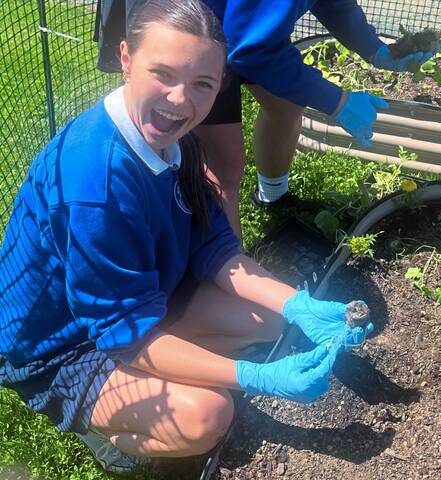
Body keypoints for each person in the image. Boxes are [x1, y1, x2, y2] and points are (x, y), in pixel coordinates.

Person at [0, 0, 372, 473]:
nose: (180, 100)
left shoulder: (173, 139)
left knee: (270, 320)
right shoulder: (95, 186)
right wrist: (255, 377)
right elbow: (125, 336)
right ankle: (111, 436)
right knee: (208, 415)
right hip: (64, 351)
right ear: (125, 59)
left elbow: (215, 247)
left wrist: (298, 305)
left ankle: (175, 370)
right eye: (164, 74)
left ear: (220, 86)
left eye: (202, 84)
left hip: (139, 302)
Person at [94, 0, 438, 238]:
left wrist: (374, 48)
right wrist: (338, 101)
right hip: (192, 28)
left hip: (240, 20)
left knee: (287, 107)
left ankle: (273, 196)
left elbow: (333, 4)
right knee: (223, 168)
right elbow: (251, 50)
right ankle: (227, 271)